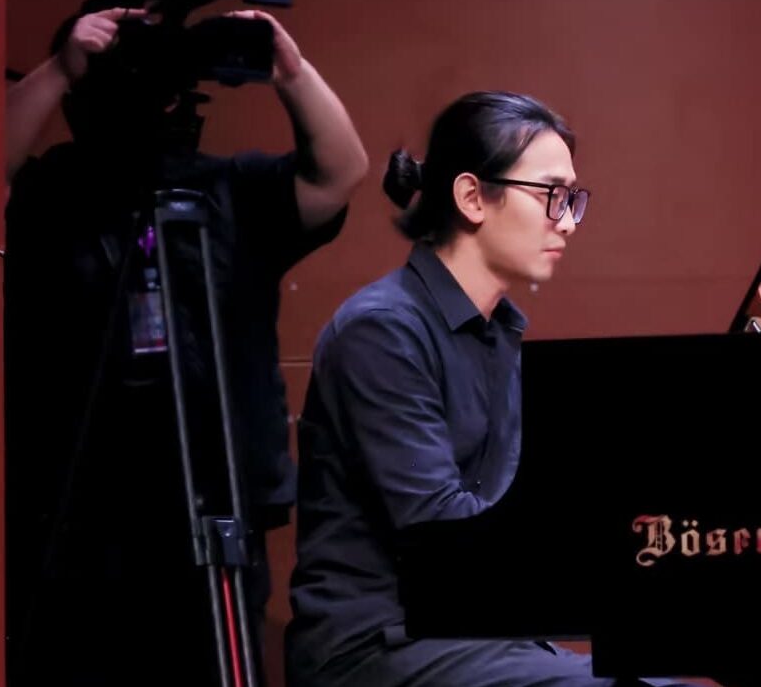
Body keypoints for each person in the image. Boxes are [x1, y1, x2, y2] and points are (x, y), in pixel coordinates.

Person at [3, 1, 367, 687]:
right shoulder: (53, 192)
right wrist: (59, 68)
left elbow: (338, 173)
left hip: (220, 494)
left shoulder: (229, 189)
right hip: (83, 503)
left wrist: (291, 74)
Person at [284, 90, 690, 687]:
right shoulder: (381, 331)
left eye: (572, 199)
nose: (567, 220)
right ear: (472, 197)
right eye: (551, 195)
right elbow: (444, 535)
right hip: (378, 646)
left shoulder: (497, 332)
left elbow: (515, 514)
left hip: (473, 633)